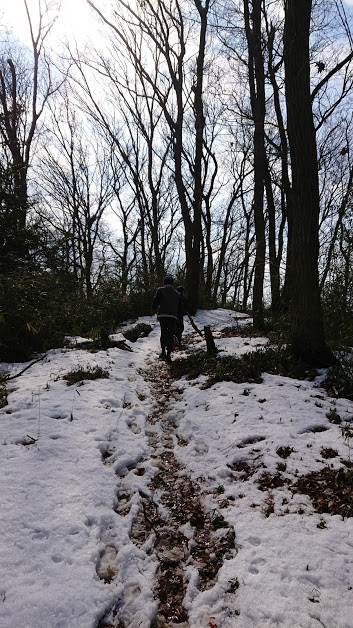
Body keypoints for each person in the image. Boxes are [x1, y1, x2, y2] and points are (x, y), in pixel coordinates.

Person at [152, 275, 181, 363]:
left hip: (162, 315)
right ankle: (168, 355)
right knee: (171, 334)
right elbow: (179, 306)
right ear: (172, 283)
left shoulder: (160, 290)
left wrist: (154, 307)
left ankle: (163, 352)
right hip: (173, 316)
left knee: (163, 332)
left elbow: (155, 302)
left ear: (165, 282)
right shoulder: (177, 293)